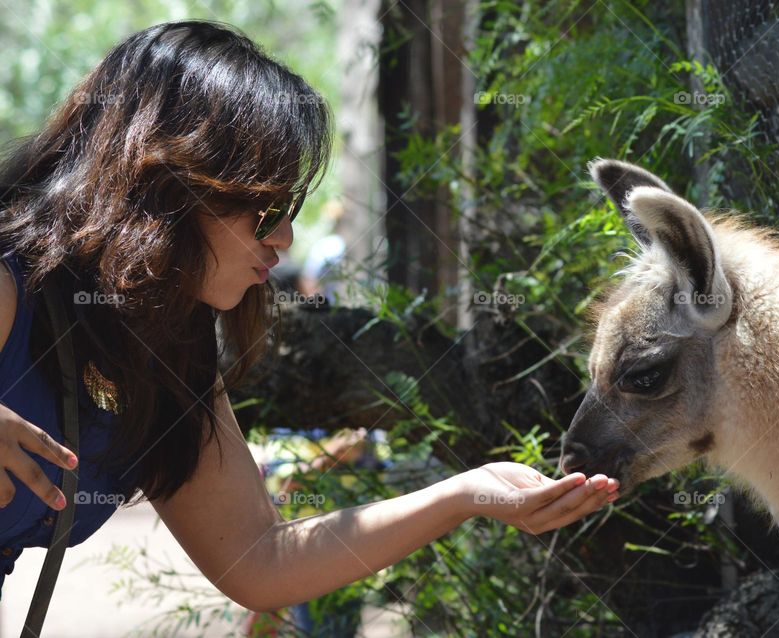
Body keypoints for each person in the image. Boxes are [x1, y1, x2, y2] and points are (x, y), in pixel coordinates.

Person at [0, 20, 619, 611]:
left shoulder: (168, 351)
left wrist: (462, 495)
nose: (286, 239)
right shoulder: (13, 284)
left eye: (290, 207)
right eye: (263, 209)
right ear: (169, 186)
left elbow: (261, 559)